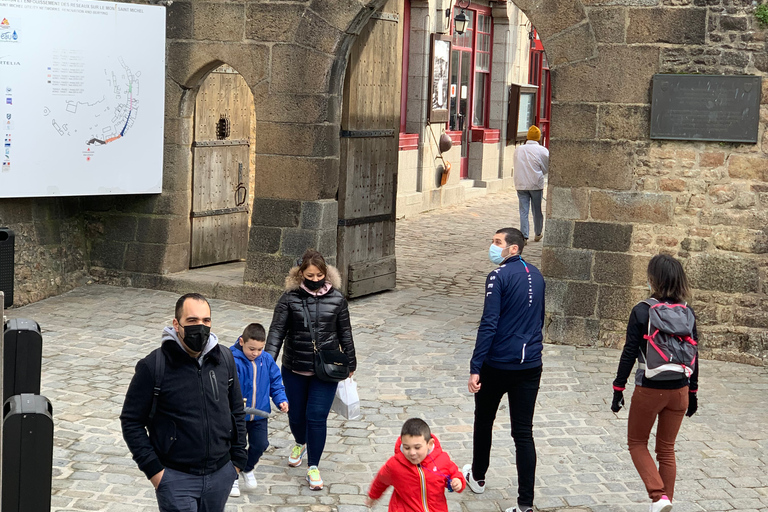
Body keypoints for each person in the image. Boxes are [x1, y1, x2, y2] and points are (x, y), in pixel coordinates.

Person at [120, 293, 247, 512]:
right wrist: (155, 472)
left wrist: (236, 461)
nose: (200, 326)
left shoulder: (224, 359)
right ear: (176, 324)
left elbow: (236, 409)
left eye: (206, 321)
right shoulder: (154, 366)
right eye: (192, 321)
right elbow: (131, 420)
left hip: (220, 475)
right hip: (176, 478)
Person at [463, 227, 545, 512]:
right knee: (523, 432)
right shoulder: (537, 274)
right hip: (530, 364)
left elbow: (489, 323)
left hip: (497, 363)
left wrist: (476, 366)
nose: (492, 246)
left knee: (483, 420)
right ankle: (526, 505)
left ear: (513, 249)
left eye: (497, 242)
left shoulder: (498, 276)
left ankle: (479, 476)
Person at [610, 254, 699, 512]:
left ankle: (658, 496)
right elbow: (695, 354)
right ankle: (665, 501)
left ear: (653, 279)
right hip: (680, 388)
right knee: (666, 449)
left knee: (637, 443)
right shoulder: (687, 312)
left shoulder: (642, 310)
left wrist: (618, 388)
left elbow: (629, 353)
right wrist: (693, 392)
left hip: (650, 389)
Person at [266, 248, 357, 491]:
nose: (315, 280)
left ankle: (313, 466)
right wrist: (266, 362)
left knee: (316, 417)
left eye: (319, 275)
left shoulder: (337, 299)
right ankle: (300, 441)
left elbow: (345, 332)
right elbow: (277, 331)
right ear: (301, 274)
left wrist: (351, 362)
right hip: (294, 367)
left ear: (325, 274)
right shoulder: (289, 298)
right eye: (310, 275)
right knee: (296, 415)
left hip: (326, 370)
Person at [228, 323, 289, 497]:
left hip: (260, 414)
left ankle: (247, 468)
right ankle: (232, 477)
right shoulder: (232, 360)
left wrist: (281, 400)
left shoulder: (267, 360)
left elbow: (276, 383)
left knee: (261, 444)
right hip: (238, 416)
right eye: (251, 348)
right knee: (235, 446)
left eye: (259, 349)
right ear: (242, 341)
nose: (255, 353)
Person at [365, 418, 465, 511]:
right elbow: (381, 480)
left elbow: (454, 474)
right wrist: (373, 496)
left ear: (430, 444)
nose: (412, 453)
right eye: (407, 448)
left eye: (417, 447)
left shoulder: (442, 460)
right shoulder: (394, 465)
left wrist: (458, 482)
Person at [513, 125, 549, 242]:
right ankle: (538, 232)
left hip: (521, 183)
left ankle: (524, 235)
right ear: (538, 138)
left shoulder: (518, 149)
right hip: (535, 184)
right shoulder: (542, 151)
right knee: (536, 209)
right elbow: (546, 167)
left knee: (523, 210)